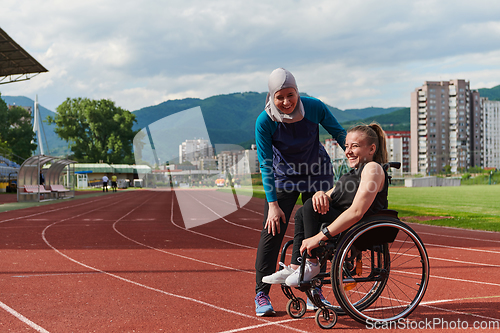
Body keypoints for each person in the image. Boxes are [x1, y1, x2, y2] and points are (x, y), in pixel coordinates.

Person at [254, 68, 346, 317]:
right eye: (279, 97)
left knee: (317, 230)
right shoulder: (265, 121)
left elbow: (338, 133)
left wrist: (358, 156)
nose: (286, 102)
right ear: (271, 96)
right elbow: (265, 164)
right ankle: (261, 293)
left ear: (298, 92)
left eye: (290, 95)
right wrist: (272, 205)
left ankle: (313, 290)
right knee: (272, 230)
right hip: (284, 177)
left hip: (316, 172)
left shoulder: (314, 108)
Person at [262, 123, 389, 292]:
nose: (348, 152)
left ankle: (311, 262)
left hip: (361, 227)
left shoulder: (373, 168)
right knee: (304, 210)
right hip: (346, 223)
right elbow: (330, 194)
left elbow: (357, 212)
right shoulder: (351, 173)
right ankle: (296, 266)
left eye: (355, 146)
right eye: (346, 146)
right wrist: (319, 194)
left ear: (371, 149)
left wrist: (320, 237)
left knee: (309, 208)